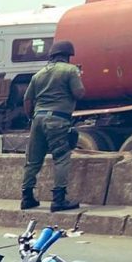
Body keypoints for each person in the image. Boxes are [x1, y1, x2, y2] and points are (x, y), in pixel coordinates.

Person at [20, 40, 85, 213]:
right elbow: (79, 93)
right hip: (58, 119)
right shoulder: (70, 70)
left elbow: (27, 100)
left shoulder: (39, 74)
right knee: (61, 157)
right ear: (67, 56)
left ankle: (27, 197)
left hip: (38, 119)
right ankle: (59, 199)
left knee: (33, 160)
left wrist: (31, 118)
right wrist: (78, 76)